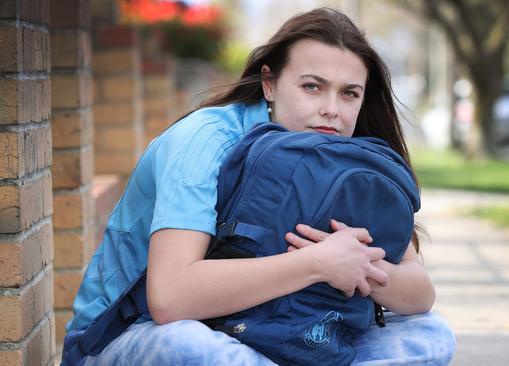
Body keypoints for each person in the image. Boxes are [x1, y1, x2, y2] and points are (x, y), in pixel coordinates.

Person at [63, 7, 455, 365]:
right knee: (187, 346)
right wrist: (316, 264)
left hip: (286, 334)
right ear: (269, 83)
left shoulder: (347, 160)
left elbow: (418, 293)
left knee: (431, 337)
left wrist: (355, 264)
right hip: (129, 336)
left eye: (349, 93)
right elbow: (170, 298)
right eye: (312, 87)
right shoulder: (205, 142)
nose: (332, 110)